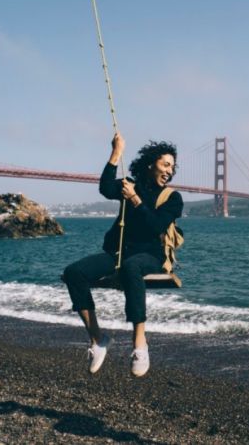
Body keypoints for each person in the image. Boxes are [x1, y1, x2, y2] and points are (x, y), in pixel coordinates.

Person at [62, 132, 183, 376]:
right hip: (119, 253)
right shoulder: (131, 185)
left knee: (132, 267)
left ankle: (140, 345)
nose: (169, 170)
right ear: (151, 165)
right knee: (73, 273)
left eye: (172, 166)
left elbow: (156, 227)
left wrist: (136, 200)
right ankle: (98, 339)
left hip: (150, 255)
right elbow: (106, 188)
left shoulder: (173, 198)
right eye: (165, 164)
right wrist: (116, 153)